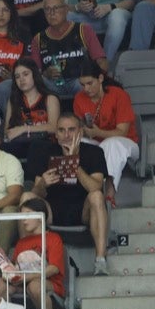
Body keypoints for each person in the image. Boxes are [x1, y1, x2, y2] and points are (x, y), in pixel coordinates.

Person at [31, 113, 112, 274]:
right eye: (61, 130)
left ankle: (100, 260)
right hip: (53, 209)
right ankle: (28, 259)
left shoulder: (94, 152)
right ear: (56, 134)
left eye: (71, 130)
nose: (66, 135)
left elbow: (95, 187)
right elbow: (35, 193)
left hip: (83, 210)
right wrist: (42, 184)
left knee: (96, 196)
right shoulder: (45, 152)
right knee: (27, 197)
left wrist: (73, 161)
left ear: (80, 132)